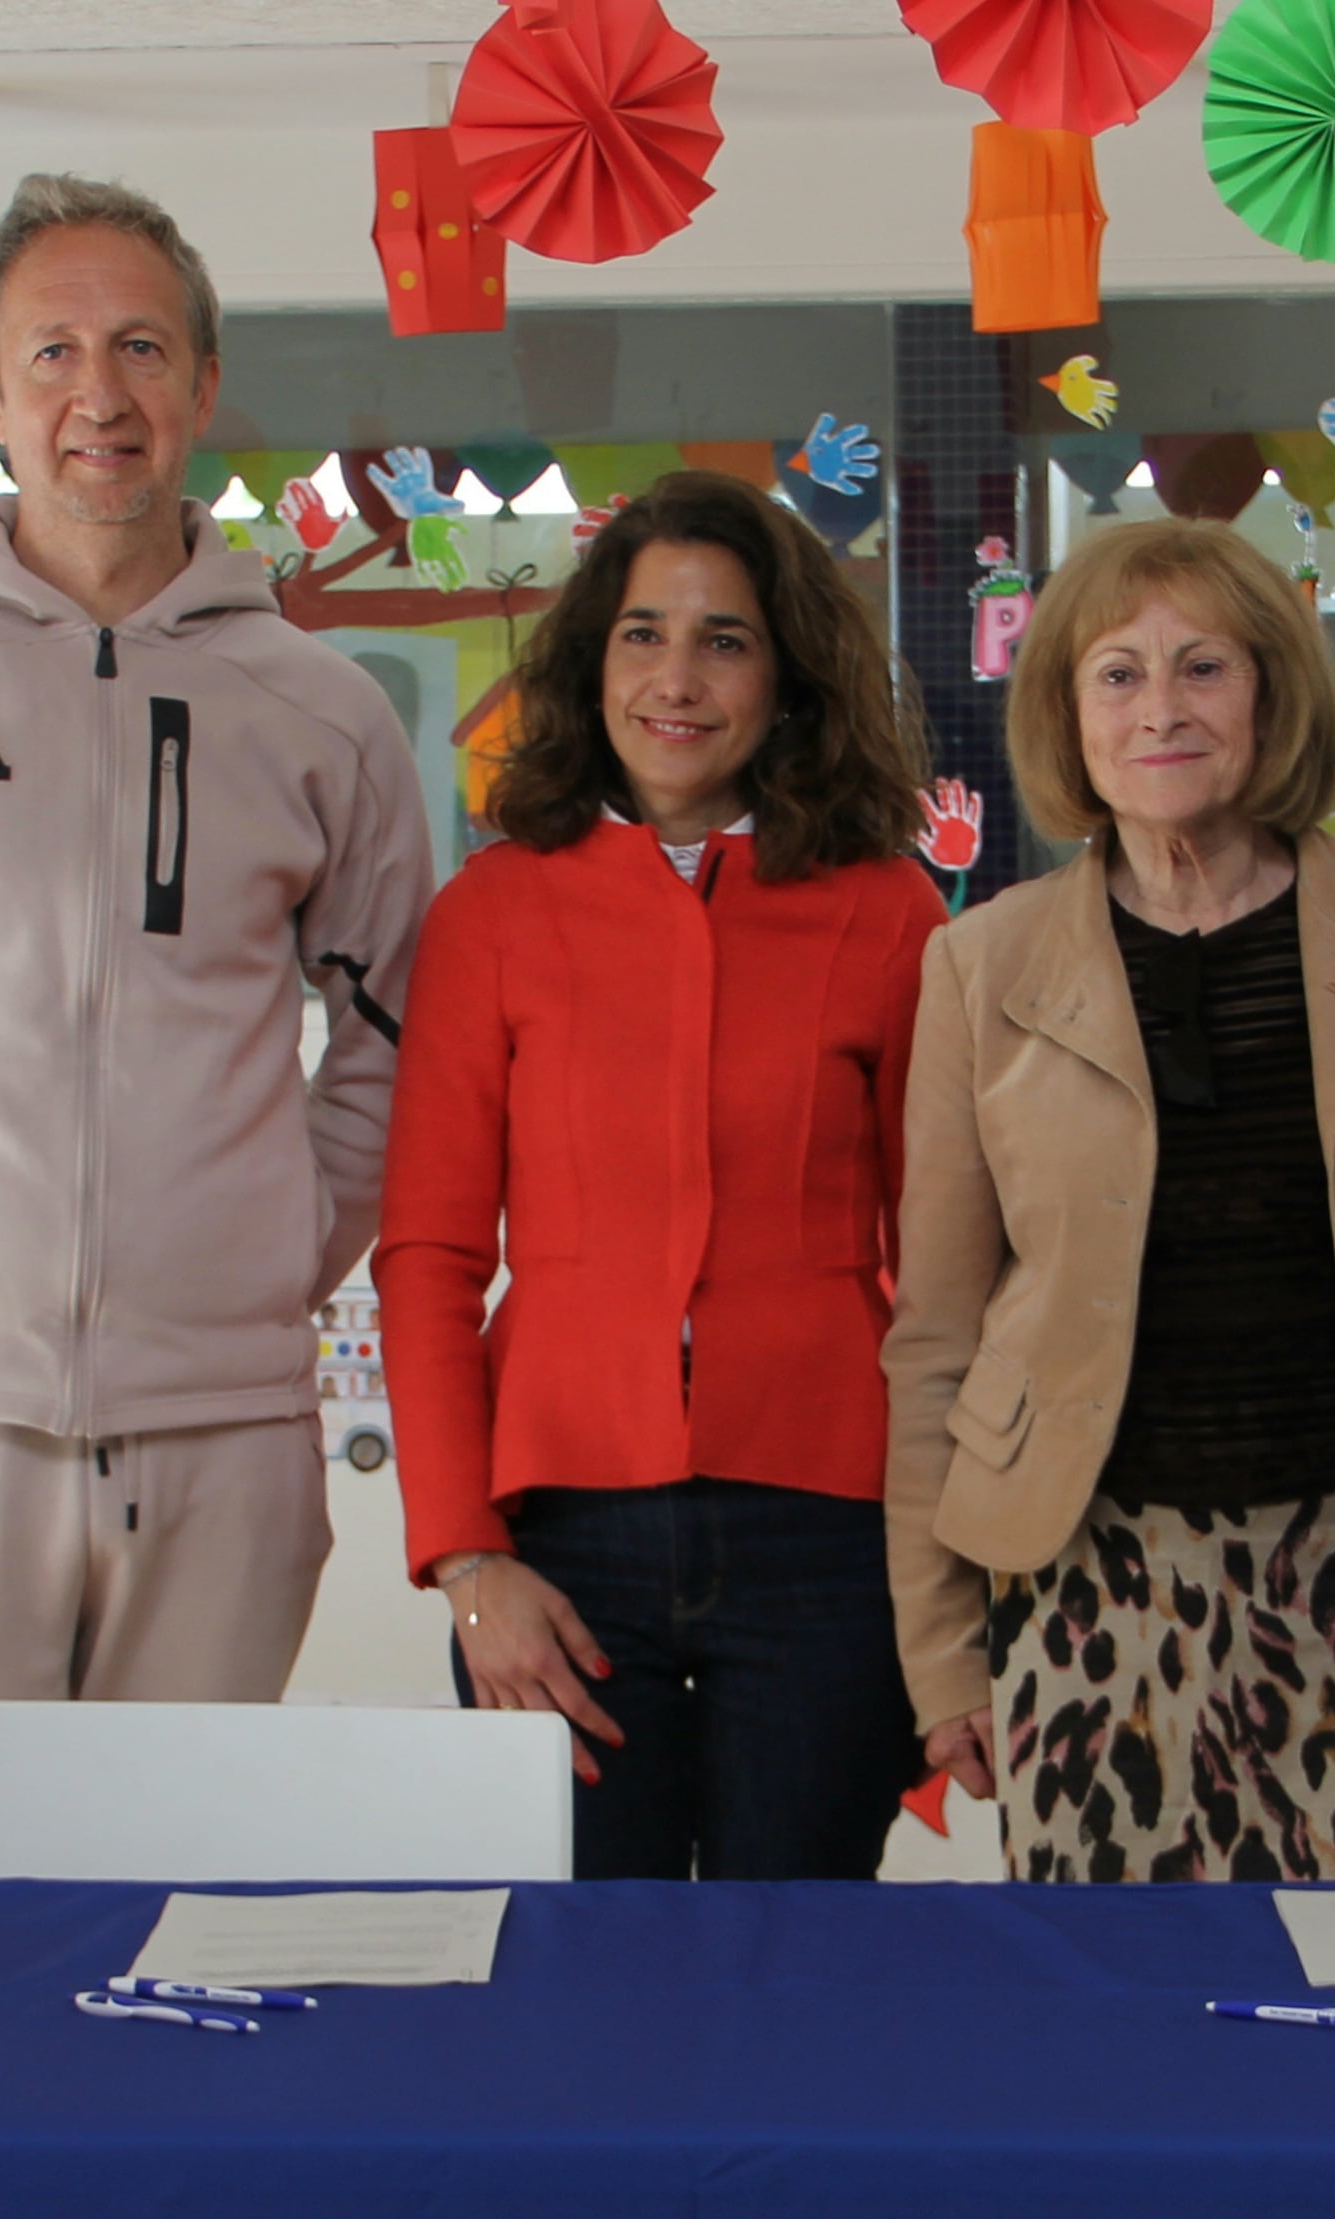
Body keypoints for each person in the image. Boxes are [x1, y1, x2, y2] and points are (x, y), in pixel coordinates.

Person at [0, 174, 433, 1876]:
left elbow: (391, 1044)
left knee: (159, 1930)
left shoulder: (323, 712)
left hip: (221, 1444)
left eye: (137, 347)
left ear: (200, 383)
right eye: (50, 350)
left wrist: (261, 1265)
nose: (95, 394)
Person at [882, 519, 1335, 1881]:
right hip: (1084, 1567)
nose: (1161, 708)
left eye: (1204, 667)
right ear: (1067, 715)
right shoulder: (983, 963)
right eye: (1118, 674)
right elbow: (935, 1333)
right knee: (1110, 2024)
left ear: (1272, 694)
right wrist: (939, 1654)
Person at [374, 473, 943, 1878]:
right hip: (558, 1546)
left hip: (828, 1539)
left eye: (725, 640)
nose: (676, 680)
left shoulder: (888, 910)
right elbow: (430, 1258)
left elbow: (948, 1267)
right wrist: (463, 1561)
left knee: (794, 1976)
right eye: (643, 634)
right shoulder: (491, 914)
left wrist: (947, 1577)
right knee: (591, 1983)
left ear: (788, 676)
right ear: (592, 660)